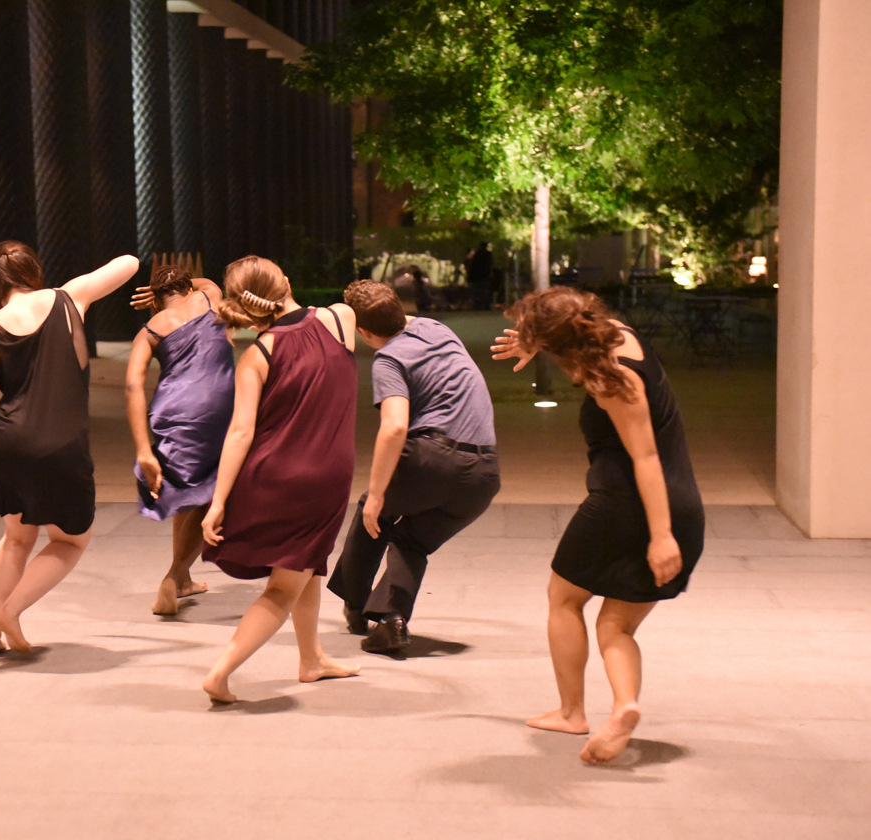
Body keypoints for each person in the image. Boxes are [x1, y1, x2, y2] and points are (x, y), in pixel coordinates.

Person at [492, 286, 704, 764]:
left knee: (563, 597)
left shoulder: (611, 381)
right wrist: (537, 340)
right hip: (682, 505)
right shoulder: (619, 337)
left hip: (627, 508)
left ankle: (571, 712)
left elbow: (645, 458)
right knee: (616, 625)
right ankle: (624, 705)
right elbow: (572, 334)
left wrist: (661, 536)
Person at [0, 241, 139, 658]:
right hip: (61, 445)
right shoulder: (68, 298)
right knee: (71, 542)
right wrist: (76, 286)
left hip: (8, 444)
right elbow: (129, 262)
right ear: (33, 271)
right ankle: (10, 612)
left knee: (16, 539)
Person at [200, 256, 362, 703]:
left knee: (307, 564)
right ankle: (221, 671)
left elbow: (240, 432)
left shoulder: (256, 354)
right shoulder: (340, 319)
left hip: (268, 475)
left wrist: (219, 501)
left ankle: (312, 659)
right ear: (286, 282)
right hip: (322, 477)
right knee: (283, 586)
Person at [327, 280, 501, 653]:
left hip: (433, 458)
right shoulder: (436, 329)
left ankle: (355, 604)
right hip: (485, 473)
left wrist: (377, 494)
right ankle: (391, 620)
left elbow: (394, 427)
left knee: (374, 511)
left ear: (364, 332)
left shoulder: (389, 359)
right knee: (412, 540)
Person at [125, 266, 235, 615]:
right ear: (188, 287)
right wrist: (183, 284)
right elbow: (207, 281)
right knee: (210, 493)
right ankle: (173, 578)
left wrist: (144, 450)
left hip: (172, 413)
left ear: (155, 300)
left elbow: (133, 385)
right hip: (216, 407)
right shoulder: (209, 297)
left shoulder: (151, 328)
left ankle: (183, 578)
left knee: (188, 487)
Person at [464, 242, 494, 311]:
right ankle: (485, 305)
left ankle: (478, 304)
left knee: (477, 291)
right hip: (484, 275)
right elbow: (490, 265)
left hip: (477, 276)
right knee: (484, 291)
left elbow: (472, 265)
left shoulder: (477, 255)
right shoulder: (488, 255)